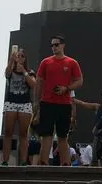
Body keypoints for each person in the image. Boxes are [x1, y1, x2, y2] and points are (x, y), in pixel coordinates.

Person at [35, 35, 83, 166]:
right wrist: (36, 102)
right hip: (47, 102)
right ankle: (43, 162)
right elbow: (39, 81)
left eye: (56, 44)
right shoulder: (45, 62)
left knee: (63, 136)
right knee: (46, 135)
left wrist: (66, 88)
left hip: (64, 104)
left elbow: (79, 81)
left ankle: (65, 164)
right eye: (52, 45)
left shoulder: (72, 62)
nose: (54, 47)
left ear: (63, 45)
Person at [1, 47, 37, 165]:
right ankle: (5, 160)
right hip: (11, 102)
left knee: (23, 133)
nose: (20, 58)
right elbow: (7, 74)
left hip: (25, 103)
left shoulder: (30, 71)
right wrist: (11, 60)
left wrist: (24, 72)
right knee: (8, 132)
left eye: (22, 56)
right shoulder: (11, 70)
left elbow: (33, 84)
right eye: (18, 56)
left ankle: (23, 160)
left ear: (25, 58)